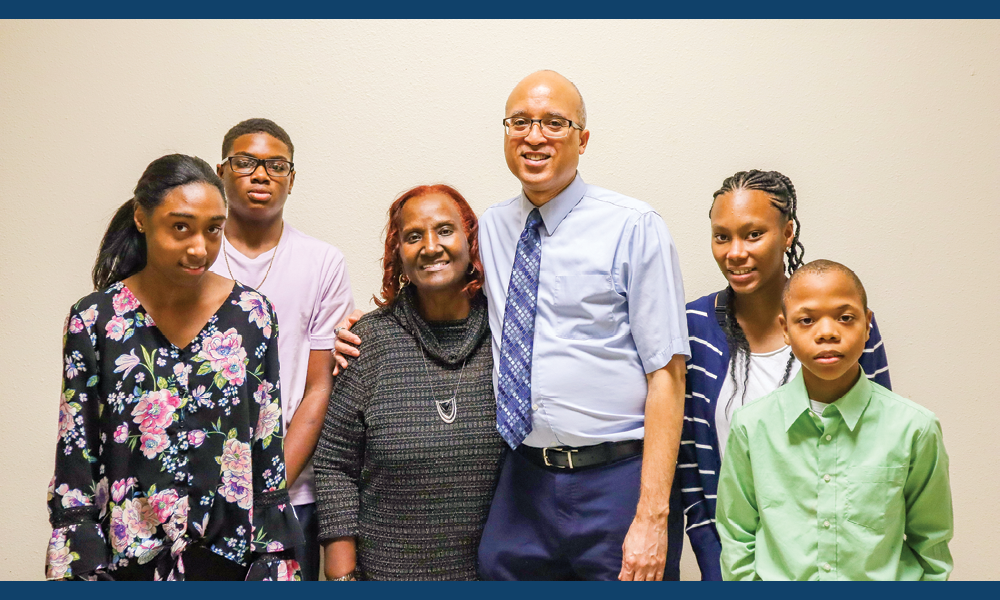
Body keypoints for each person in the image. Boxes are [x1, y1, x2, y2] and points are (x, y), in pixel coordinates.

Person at [45, 154, 302, 581]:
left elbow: (266, 442)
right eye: (180, 227)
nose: (200, 248)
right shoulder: (95, 320)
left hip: (231, 565)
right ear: (141, 219)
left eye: (213, 229)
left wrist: (271, 557)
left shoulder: (252, 315)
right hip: (124, 568)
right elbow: (76, 451)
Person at [475, 70, 689, 581]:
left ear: (582, 139)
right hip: (522, 481)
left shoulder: (633, 226)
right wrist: (358, 328)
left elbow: (668, 374)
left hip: (616, 481)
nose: (534, 135)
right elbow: (432, 296)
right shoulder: (488, 229)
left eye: (554, 123)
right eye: (520, 121)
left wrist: (652, 516)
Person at [677, 170, 892, 580]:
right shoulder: (693, 328)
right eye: (722, 237)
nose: (735, 252)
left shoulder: (840, 323)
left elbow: (879, 440)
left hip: (842, 562)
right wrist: (714, 560)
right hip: (734, 563)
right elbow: (689, 466)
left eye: (754, 234)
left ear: (787, 232)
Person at [716, 259, 953, 580]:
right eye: (807, 320)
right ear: (785, 329)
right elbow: (736, 535)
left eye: (845, 318)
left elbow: (932, 545)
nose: (827, 332)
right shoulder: (751, 427)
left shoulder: (914, 429)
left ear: (867, 324)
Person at [314, 185, 504, 580]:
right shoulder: (368, 342)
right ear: (397, 253)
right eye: (413, 236)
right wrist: (341, 579)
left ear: (471, 240)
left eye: (445, 230)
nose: (431, 247)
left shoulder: (506, 334)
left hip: (495, 573)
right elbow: (335, 466)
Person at [208, 118, 355, 580]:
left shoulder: (322, 262)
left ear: (292, 179)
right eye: (246, 162)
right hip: (198, 489)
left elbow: (319, 390)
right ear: (221, 171)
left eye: (276, 165)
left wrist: (267, 491)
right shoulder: (195, 256)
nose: (260, 174)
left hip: (292, 493)